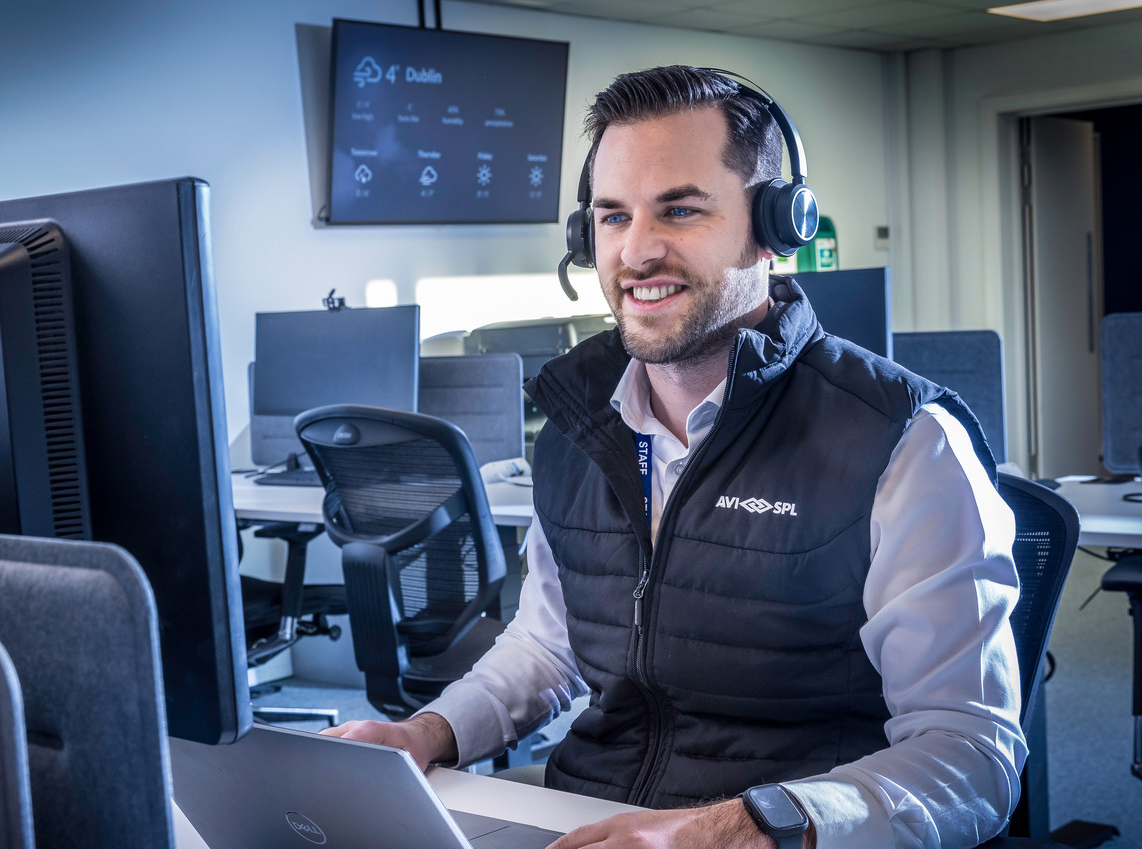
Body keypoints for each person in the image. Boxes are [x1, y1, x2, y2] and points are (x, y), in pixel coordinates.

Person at [325, 65, 1024, 849]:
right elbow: (546, 647)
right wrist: (426, 731)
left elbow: (970, 756)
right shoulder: (574, 429)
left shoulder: (900, 439)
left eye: (680, 210)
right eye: (612, 216)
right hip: (586, 819)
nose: (636, 250)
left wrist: (735, 829)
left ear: (774, 227)